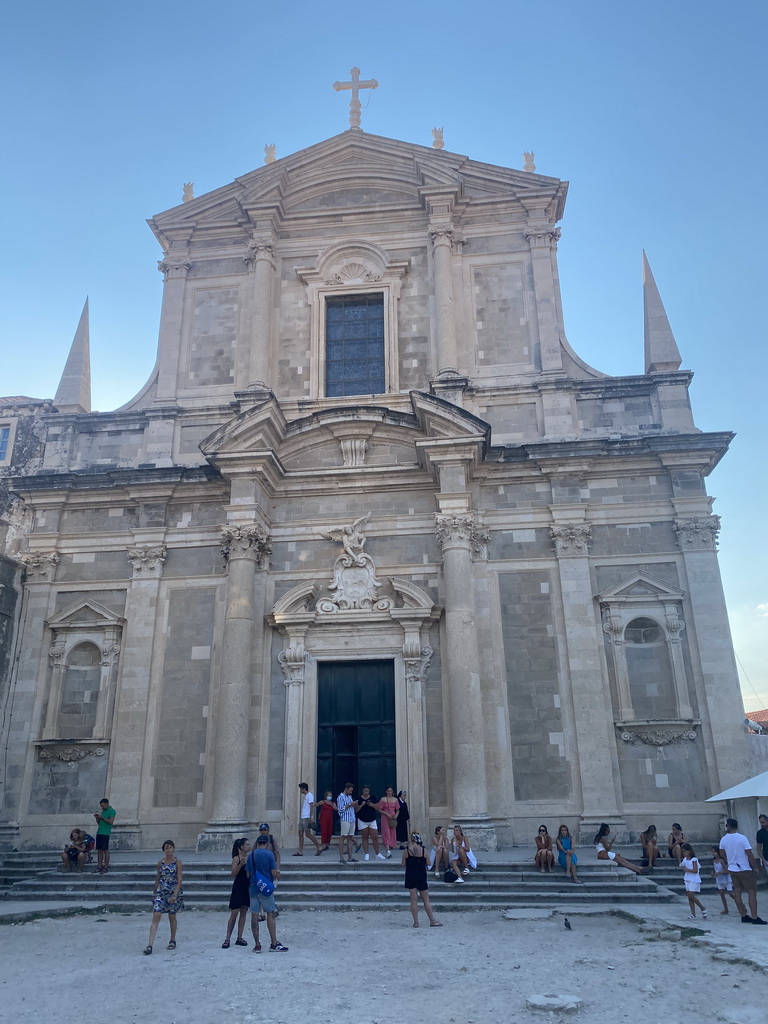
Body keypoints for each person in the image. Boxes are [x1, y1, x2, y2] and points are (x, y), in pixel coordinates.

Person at [719, 817, 766, 925]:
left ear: (729, 826)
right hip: (744, 868)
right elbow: (749, 854)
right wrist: (755, 867)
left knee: (737, 891)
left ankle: (743, 915)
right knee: (751, 891)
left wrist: (728, 861)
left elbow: (722, 854)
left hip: (732, 868)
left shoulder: (723, 839)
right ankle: (754, 917)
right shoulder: (742, 838)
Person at [246, 833, 288, 952]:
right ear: (267, 844)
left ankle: (257, 945)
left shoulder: (251, 855)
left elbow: (248, 874)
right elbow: (274, 872)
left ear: (257, 843)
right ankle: (273, 943)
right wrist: (278, 876)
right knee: (270, 913)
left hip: (254, 888)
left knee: (254, 915)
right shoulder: (269, 854)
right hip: (266, 889)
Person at [144, 840, 184, 954]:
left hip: (172, 892)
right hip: (161, 891)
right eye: (166, 848)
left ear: (173, 849)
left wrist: (175, 894)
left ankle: (172, 939)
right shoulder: (160, 863)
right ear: (163, 850)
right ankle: (150, 945)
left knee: (172, 916)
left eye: (170, 847)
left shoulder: (177, 862)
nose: (169, 850)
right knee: (156, 915)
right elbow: (158, 877)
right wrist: (154, 892)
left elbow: (179, 879)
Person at [402, 832, 442, 928]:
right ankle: (432, 920)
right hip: (421, 876)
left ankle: (416, 922)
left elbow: (403, 864)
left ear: (411, 840)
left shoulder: (406, 851)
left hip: (410, 875)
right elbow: (428, 863)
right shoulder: (424, 851)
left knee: (413, 900)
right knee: (426, 900)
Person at [222, 837, 251, 948]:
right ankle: (227, 938)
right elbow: (233, 873)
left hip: (246, 886)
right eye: (247, 844)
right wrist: (241, 864)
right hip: (238, 887)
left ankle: (239, 937)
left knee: (243, 911)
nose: (249, 846)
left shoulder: (250, 858)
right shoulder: (236, 858)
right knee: (234, 913)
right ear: (242, 847)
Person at [355, 786, 385, 861]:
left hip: (372, 820)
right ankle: (366, 854)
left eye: (367, 791)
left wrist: (372, 805)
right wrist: (361, 805)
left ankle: (377, 854)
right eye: (365, 791)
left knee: (375, 837)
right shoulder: (359, 799)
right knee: (365, 837)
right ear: (362, 791)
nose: (366, 793)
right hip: (362, 820)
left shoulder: (373, 798)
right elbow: (356, 810)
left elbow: (378, 808)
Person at [679, 843, 707, 920]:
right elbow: (682, 865)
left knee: (691, 895)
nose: (683, 853)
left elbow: (695, 870)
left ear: (689, 851)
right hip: (687, 878)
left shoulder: (694, 859)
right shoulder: (685, 860)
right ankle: (693, 914)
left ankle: (702, 907)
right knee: (689, 897)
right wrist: (682, 867)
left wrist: (687, 869)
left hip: (693, 879)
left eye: (684, 851)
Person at [294, 782, 322, 856]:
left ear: (304, 788)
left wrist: (311, 817)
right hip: (303, 817)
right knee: (300, 834)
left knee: (308, 834)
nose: (300, 790)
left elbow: (311, 806)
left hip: (306, 817)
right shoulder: (307, 796)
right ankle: (300, 851)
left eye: (301, 789)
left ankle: (319, 846)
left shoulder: (310, 795)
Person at [93, 798, 116, 874]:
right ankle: (99, 866)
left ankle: (106, 866)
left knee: (105, 850)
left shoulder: (112, 811)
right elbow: (100, 823)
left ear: (107, 804)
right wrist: (97, 819)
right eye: (101, 806)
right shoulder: (103, 812)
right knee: (99, 850)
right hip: (99, 832)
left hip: (105, 833)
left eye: (103, 805)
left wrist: (102, 818)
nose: (102, 807)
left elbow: (110, 821)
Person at [712, 845, 737, 915]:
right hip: (719, 879)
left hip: (725, 879)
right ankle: (725, 909)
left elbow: (727, 871)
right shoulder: (714, 861)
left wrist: (719, 873)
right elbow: (715, 869)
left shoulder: (722, 861)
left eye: (714, 852)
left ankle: (740, 904)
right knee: (721, 894)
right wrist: (713, 873)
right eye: (712, 852)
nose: (713, 853)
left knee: (731, 893)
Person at [336, 783, 357, 864]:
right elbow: (340, 809)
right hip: (345, 819)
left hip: (352, 819)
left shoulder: (349, 797)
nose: (351, 792)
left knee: (350, 838)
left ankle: (350, 857)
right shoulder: (340, 797)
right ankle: (341, 857)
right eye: (350, 790)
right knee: (343, 837)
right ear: (346, 789)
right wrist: (350, 805)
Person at [379, 786, 400, 858]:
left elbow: (397, 809)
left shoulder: (395, 800)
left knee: (392, 833)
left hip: (393, 818)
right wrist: (386, 813)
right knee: (386, 833)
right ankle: (388, 850)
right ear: (386, 791)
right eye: (388, 791)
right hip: (385, 818)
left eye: (391, 791)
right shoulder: (383, 799)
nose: (390, 792)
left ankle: (390, 846)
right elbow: (379, 809)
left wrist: (396, 815)